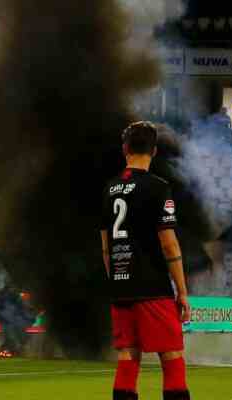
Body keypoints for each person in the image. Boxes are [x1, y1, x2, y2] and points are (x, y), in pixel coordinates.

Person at [101, 121, 191, 400]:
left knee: (128, 355)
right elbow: (168, 242)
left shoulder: (110, 189)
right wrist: (182, 292)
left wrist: (116, 280)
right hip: (152, 286)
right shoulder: (158, 188)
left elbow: (106, 247)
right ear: (153, 151)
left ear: (125, 149)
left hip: (121, 286)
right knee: (171, 354)